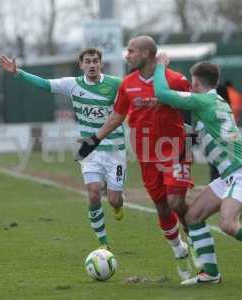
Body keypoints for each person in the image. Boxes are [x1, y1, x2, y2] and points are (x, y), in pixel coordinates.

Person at [153, 54, 242, 285]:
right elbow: (196, 130)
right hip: (230, 175)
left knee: (228, 223)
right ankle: (210, 274)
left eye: (191, 81)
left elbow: (162, 93)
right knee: (193, 216)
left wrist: (159, 66)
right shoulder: (216, 101)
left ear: (196, 83)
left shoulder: (203, 101)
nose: (190, 85)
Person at [76, 36, 194, 280]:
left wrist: (195, 132)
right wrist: (94, 140)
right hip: (146, 156)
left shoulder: (175, 79)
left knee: (176, 202)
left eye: (131, 51)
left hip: (175, 150)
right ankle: (180, 251)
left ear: (147, 54)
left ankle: (200, 251)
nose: (126, 55)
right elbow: (117, 117)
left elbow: (194, 106)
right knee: (162, 206)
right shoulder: (127, 84)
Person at [0, 48, 125, 250]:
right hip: (89, 150)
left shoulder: (116, 84)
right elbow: (44, 84)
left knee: (114, 200)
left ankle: (118, 204)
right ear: (81, 65)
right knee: (93, 194)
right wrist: (18, 73)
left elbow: (136, 95)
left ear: (101, 64)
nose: (92, 65)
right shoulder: (72, 84)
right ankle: (103, 244)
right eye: (88, 61)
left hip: (115, 150)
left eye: (95, 61)